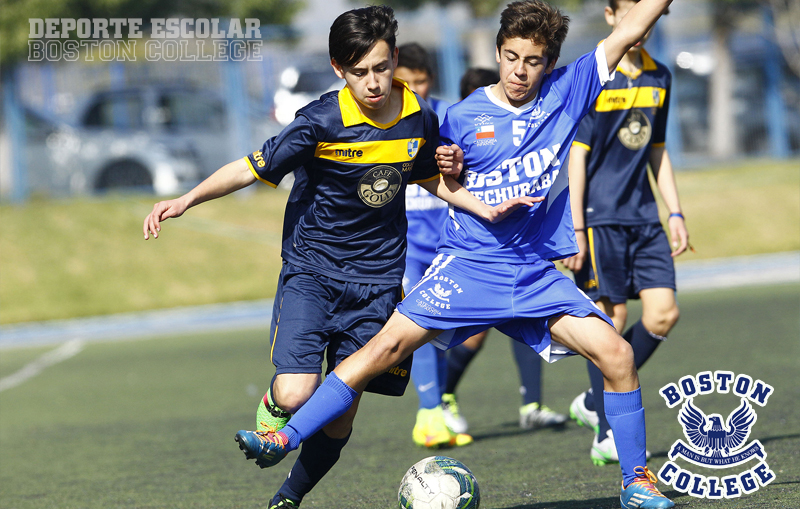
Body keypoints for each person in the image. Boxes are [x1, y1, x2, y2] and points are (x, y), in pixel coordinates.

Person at [235, 1, 676, 507]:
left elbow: (633, 27)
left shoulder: (570, 90)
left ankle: (635, 482)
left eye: (533, 61)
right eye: (511, 57)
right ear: (498, 52)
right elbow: (434, 175)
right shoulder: (461, 115)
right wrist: (449, 164)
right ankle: (282, 439)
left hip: (533, 274)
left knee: (617, 354)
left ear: (550, 64)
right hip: (467, 267)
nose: (519, 71)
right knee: (381, 352)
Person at [142, 6, 534, 509]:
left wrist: (485, 208)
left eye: (380, 67)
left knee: (341, 416)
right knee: (295, 394)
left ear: (393, 58)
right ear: (337, 69)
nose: (373, 82)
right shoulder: (321, 121)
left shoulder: (418, 116)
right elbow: (250, 168)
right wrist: (185, 200)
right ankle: (273, 404)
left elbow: (429, 175)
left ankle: (287, 498)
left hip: (377, 282)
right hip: (313, 272)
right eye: (358, 72)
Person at [562, 0, 688, 467]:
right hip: (599, 220)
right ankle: (606, 428)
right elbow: (577, 156)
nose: (641, 24)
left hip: (645, 219)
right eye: (630, 12)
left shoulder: (661, 76)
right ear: (612, 16)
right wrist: (575, 227)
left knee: (663, 315)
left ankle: (593, 401)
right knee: (610, 322)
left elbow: (657, 148)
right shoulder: (598, 75)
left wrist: (674, 212)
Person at [440, 67, 568, 435]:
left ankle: (532, 403)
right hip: (473, 259)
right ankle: (438, 401)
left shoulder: (532, 127)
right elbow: (445, 187)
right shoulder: (456, 127)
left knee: (533, 324)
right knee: (470, 334)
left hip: (521, 255)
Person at [394, 42, 473, 448]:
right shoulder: (386, 120)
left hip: (448, 244)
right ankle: (428, 414)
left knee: (445, 328)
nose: (415, 90)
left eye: (421, 82)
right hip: (405, 246)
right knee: (421, 323)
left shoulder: (449, 115)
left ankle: (438, 408)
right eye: (405, 83)